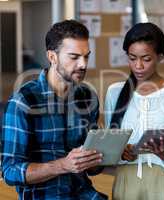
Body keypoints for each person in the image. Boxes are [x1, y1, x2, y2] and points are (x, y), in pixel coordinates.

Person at [1, 20, 107, 199]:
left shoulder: (88, 97)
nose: (83, 64)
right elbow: (10, 172)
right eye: (74, 57)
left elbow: (93, 169)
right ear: (52, 57)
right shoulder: (23, 102)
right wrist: (63, 165)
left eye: (86, 56)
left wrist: (101, 156)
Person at [104, 22, 164, 200]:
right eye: (132, 58)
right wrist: (122, 153)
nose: (138, 66)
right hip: (127, 182)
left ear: (160, 56)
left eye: (146, 59)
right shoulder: (115, 93)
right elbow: (110, 144)